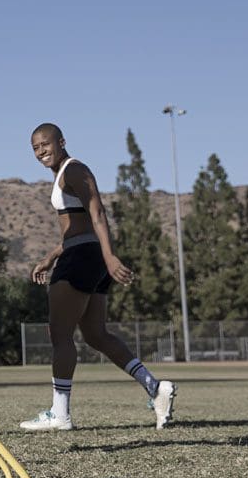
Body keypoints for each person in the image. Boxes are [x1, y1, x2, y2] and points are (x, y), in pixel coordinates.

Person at [20, 123, 177, 431]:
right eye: (35, 147)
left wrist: (109, 257)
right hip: (85, 255)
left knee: (60, 333)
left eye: (45, 144)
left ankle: (60, 413)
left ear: (61, 141)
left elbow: (98, 213)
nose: (41, 151)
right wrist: (51, 257)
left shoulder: (74, 170)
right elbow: (76, 227)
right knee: (95, 334)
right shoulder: (63, 174)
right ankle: (155, 388)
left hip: (84, 258)